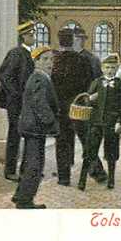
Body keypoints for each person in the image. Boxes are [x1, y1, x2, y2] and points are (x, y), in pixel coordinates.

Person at [12, 46, 59, 209]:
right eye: (45, 59)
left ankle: (21, 195)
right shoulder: (39, 78)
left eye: (52, 59)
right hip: (35, 128)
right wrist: (52, 123)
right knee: (34, 164)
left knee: (29, 163)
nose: (50, 63)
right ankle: (25, 201)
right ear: (36, 61)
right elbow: (40, 104)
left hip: (31, 127)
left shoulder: (38, 77)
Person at [78, 53, 121, 191]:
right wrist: (90, 98)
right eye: (107, 67)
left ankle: (111, 180)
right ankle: (82, 180)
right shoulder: (96, 82)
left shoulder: (119, 85)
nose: (109, 70)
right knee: (90, 152)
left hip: (111, 124)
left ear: (117, 69)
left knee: (111, 153)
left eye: (113, 68)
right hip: (95, 123)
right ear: (102, 68)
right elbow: (85, 99)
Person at [51, 28, 95, 186]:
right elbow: (90, 83)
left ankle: (64, 177)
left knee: (62, 142)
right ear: (72, 40)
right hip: (78, 107)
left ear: (60, 41)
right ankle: (98, 172)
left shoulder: (55, 61)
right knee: (86, 140)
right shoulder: (82, 60)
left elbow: (51, 85)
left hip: (60, 109)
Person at [0, 20, 36, 181]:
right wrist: (17, 94)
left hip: (25, 102)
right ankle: (10, 170)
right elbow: (4, 75)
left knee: (24, 134)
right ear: (23, 37)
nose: (33, 38)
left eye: (33, 35)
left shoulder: (29, 54)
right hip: (16, 103)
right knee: (15, 135)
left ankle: (25, 169)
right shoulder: (16, 53)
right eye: (30, 35)